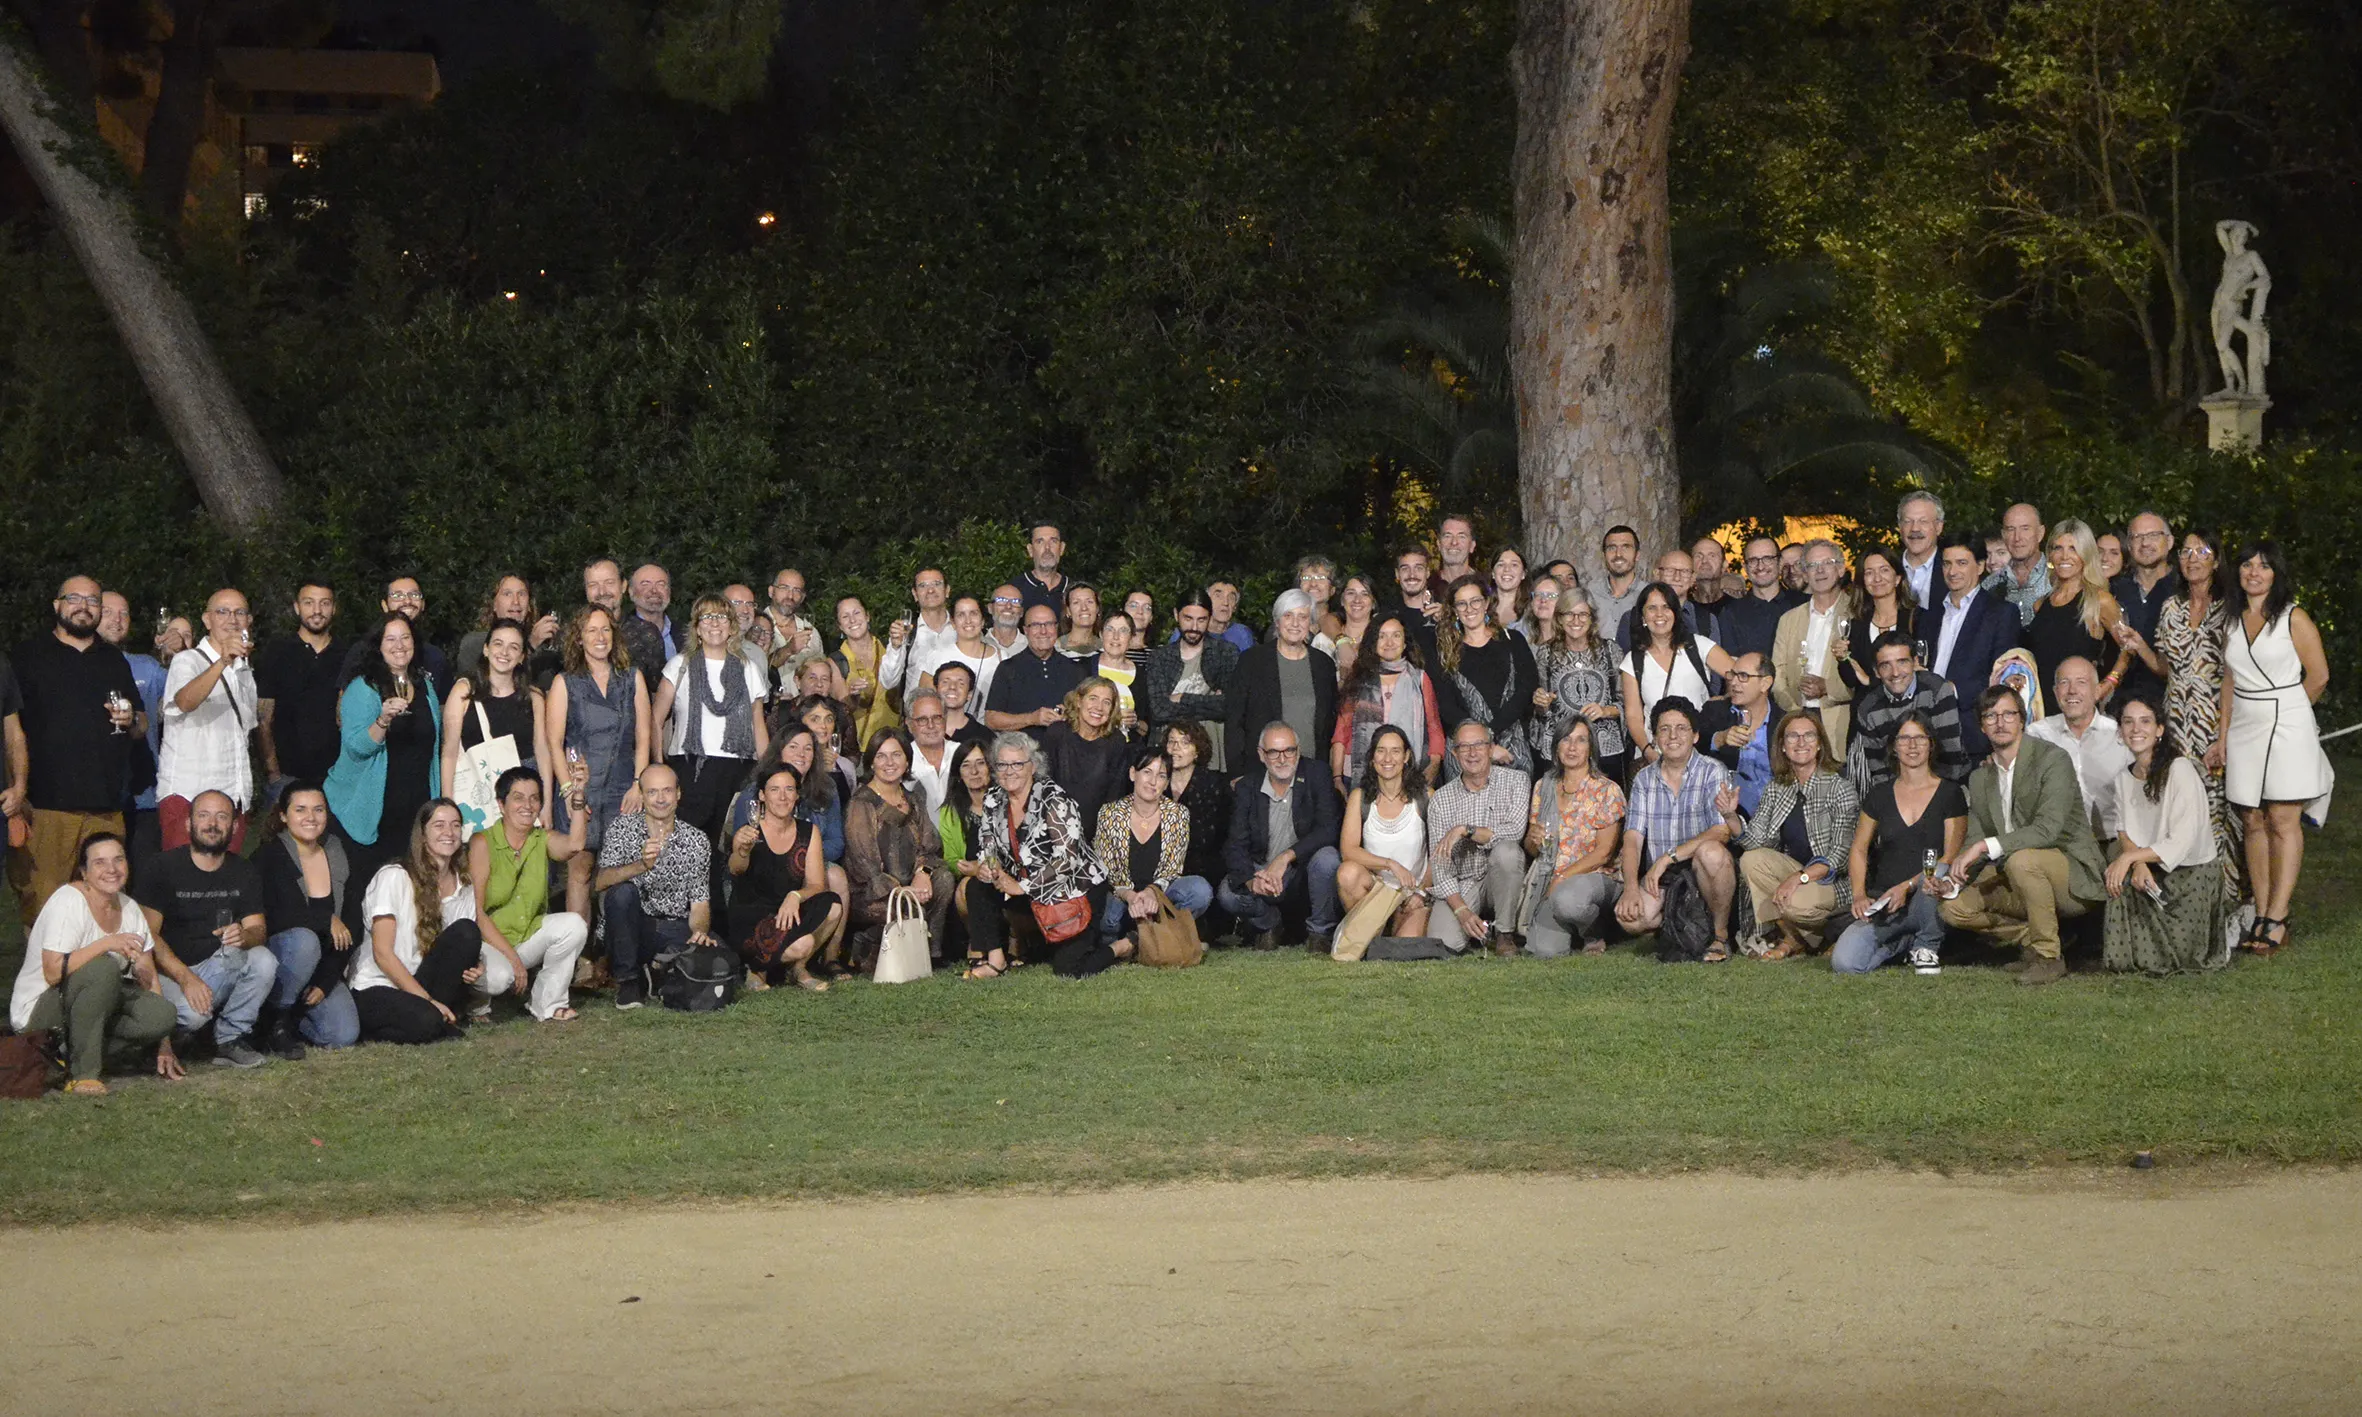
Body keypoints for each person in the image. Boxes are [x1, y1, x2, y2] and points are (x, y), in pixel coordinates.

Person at [1937, 686, 2105, 986]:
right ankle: (2034, 940)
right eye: (1990, 716)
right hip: (2018, 876)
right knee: (1954, 908)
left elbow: (2047, 829)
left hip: (2071, 877)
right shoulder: (1980, 778)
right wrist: (1953, 879)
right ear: (1981, 726)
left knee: (2021, 860)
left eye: (2008, 714)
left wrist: (1982, 847)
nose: (2000, 722)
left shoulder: (2052, 760)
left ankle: (2049, 957)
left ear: (2022, 719)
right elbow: (1976, 835)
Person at [2216, 540, 2332, 956]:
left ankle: (2278, 917)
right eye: (2247, 565)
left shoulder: (2292, 617)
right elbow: (2229, 681)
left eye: (2263, 566)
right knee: (2252, 819)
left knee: (2284, 818)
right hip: (2244, 724)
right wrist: (2222, 735)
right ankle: (2260, 910)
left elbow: (2318, 675)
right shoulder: (2232, 619)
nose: (2254, 572)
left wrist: (2292, 716)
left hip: (2287, 722)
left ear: (2276, 573)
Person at [8, 575, 142, 931]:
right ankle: (41, 985)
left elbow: (140, 723)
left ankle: (96, 984)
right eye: (74, 598)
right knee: (42, 909)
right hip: (46, 809)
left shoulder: (113, 659)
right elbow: (10, 731)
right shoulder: (26, 657)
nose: (83, 606)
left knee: (104, 909)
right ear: (57, 605)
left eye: (93, 600)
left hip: (106, 809)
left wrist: (131, 719)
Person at [11, 833, 179, 1093]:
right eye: (99, 862)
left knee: (162, 1015)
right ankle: (83, 1074)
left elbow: (149, 976)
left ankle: (67, 1054)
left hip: (93, 1004)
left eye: (118, 860)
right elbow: (53, 972)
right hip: (41, 1006)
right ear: (84, 872)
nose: (111, 869)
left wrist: (164, 1044)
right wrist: (107, 943)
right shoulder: (68, 901)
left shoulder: (130, 908)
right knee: (103, 967)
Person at [966, 732, 1114, 979]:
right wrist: (988, 867)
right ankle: (996, 960)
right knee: (976, 887)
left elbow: (1067, 859)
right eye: (1002, 764)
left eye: (1017, 764)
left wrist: (1021, 886)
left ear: (1032, 766)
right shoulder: (993, 798)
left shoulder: (1054, 799)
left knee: (1068, 969)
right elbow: (988, 842)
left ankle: (1121, 946)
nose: (1009, 771)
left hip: (1077, 889)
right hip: (1029, 888)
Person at [143, 790, 275, 1067]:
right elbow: (148, 935)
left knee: (264, 959)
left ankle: (229, 1038)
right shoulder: (162, 867)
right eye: (203, 815)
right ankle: (173, 1037)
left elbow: (258, 930)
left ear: (235, 827)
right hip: (168, 973)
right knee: (194, 1017)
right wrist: (184, 978)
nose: (212, 824)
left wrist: (245, 935)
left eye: (221, 816)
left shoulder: (244, 871)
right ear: (189, 824)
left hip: (216, 968)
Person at [1830, 712, 1968, 975]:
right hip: (1885, 902)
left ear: (1931, 744)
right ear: (1893, 746)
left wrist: (1906, 887)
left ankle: (1926, 941)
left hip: (1927, 897)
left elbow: (1949, 857)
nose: (1912, 746)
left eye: (1920, 738)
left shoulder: (1951, 794)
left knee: (1936, 873)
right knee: (1845, 963)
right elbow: (1859, 848)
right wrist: (1859, 894)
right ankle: (1904, 946)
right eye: (1904, 738)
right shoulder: (1879, 794)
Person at [654, 595, 772, 899]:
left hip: (737, 769)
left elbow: (758, 725)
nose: (715, 623)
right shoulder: (679, 666)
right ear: (697, 628)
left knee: (728, 850)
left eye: (721, 617)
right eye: (707, 618)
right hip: (691, 768)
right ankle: (682, 920)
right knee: (689, 846)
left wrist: (769, 775)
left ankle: (720, 926)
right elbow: (654, 721)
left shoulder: (747, 669)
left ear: (732, 627)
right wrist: (656, 768)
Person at [2103, 696, 2227, 975]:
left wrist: (2131, 858)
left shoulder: (2179, 769)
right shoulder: (2123, 778)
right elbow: (2123, 829)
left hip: (2190, 873)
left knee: (2183, 961)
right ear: (2120, 732)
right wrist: (2137, 863)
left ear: (2159, 729)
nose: (2136, 729)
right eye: (2128, 722)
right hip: (2151, 868)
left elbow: (2181, 841)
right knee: (2117, 868)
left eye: (2145, 721)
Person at [543, 606, 652, 921]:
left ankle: (617, 953)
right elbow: (554, 742)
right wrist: (568, 793)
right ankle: (580, 954)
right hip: (581, 789)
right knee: (581, 868)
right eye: (591, 630)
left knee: (623, 871)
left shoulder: (632, 678)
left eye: (605, 629)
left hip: (624, 788)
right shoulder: (566, 682)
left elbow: (643, 736)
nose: (600, 637)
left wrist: (638, 784)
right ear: (579, 638)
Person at [1613, 698, 1742, 960]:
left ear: (1695, 736)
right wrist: (1630, 887)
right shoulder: (1644, 779)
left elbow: (1721, 831)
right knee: (1629, 918)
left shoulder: (1712, 771)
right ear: (1655, 737)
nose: (1673, 736)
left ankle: (1719, 936)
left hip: (1701, 871)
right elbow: (1633, 838)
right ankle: (1675, 926)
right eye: (1664, 729)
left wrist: (1667, 857)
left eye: (1682, 728)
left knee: (1711, 853)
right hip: (1664, 879)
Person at [352, 799, 484, 1042]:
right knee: (427, 1020)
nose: (449, 833)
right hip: (380, 984)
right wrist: (428, 1001)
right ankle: (417, 1021)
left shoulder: (463, 885)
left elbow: (455, 947)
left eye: (455, 825)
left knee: (467, 931)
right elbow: (383, 954)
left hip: (420, 978)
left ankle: (435, 1016)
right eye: (439, 826)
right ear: (422, 834)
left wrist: (476, 966)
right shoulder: (394, 877)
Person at [322, 614, 442, 882]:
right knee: (371, 887)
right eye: (390, 639)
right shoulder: (364, 688)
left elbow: (434, 747)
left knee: (412, 886)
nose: (399, 645)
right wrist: (383, 721)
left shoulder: (425, 687)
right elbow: (356, 748)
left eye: (405, 637)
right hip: (375, 807)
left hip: (415, 806)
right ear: (378, 645)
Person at [467, 766, 591, 1022]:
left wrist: (578, 797)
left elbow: (576, 845)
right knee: (500, 978)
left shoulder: (540, 838)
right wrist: (514, 960)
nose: (528, 805)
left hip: (526, 935)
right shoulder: (483, 842)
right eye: (518, 798)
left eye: (534, 798)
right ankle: (476, 1006)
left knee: (574, 925)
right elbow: (476, 913)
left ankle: (547, 1003)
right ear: (501, 805)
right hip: (489, 942)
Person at [2155, 529, 2242, 893]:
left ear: (2216, 559)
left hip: (2217, 724)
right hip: (2177, 724)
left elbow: (2233, 674)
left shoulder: (2232, 607)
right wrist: (2133, 646)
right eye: (2186, 551)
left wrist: (2222, 738)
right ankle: (2190, 895)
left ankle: (2229, 897)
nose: (2192, 558)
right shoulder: (2171, 607)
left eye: (2201, 550)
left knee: (2219, 812)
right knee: (2184, 808)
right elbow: (2165, 666)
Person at [1734, 712, 1859, 960]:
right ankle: (1796, 938)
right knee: (1750, 860)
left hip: (1833, 882)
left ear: (1820, 743)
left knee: (1795, 903)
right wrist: (1730, 817)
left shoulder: (1839, 788)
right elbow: (1756, 842)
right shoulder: (1777, 787)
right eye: (1793, 736)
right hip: (1798, 873)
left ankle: (1825, 936)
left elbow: (1840, 858)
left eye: (1808, 735)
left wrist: (1798, 878)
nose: (1801, 742)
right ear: (1782, 745)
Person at [593, 764, 716, 1009]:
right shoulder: (622, 828)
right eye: (652, 792)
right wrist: (641, 865)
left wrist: (699, 933)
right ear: (641, 795)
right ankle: (628, 983)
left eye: (667, 791)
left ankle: (658, 972)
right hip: (629, 925)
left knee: (714, 950)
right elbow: (601, 882)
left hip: (673, 926)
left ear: (678, 794)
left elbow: (700, 902)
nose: (661, 799)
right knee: (622, 894)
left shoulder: (696, 840)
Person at [256, 784, 362, 1050]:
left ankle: (290, 1022)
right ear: (283, 815)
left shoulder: (340, 853)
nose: (310, 818)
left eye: (318, 810)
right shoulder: (268, 856)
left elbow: (352, 927)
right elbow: (274, 917)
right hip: (281, 960)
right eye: (300, 810)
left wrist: (325, 982)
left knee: (342, 1035)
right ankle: (273, 1018)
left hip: (321, 966)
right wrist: (325, 919)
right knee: (305, 940)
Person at [1219, 723, 1343, 952]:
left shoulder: (1317, 774)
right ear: (1261, 755)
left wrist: (1285, 858)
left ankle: (1320, 934)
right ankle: (1270, 924)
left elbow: (1328, 829)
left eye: (1289, 750)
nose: (1283, 759)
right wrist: (1251, 881)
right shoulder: (1248, 786)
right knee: (1227, 893)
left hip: (1301, 871)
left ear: (1298, 750)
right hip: (1263, 871)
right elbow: (1235, 844)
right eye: (1274, 752)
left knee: (1328, 858)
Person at [840, 731, 954, 970]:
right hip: (873, 892)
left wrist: (922, 872)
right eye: (881, 756)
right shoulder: (862, 803)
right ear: (871, 761)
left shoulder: (912, 800)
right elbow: (866, 866)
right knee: (911, 906)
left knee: (942, 879)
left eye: (896, 755)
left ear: (907, 761)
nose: (889, 763)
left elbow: (931, 846)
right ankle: (869, 943)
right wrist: (905, 891)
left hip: (911, 885)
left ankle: (931, 954)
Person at [157, 587, 259, 851]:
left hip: (232, 795)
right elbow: (184, 701)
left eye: (240, 613)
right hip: (189, 794)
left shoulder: (244, 670)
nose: (232, 619)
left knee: (226, 884)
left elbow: (247, 729)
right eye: (222, 612)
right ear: (206, 620)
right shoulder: (187, 660)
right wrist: (222, 662)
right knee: (185, 884)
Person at [725, 761, 841, 990]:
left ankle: (798, 969)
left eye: (789, 789)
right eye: (774, 790)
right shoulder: (750, 830)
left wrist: (795, 896)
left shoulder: (809, 832)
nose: (782, 797)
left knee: (834, 904)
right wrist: (742, 851)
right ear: (762, 795)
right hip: (752, 917)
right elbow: (735, 870)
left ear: (797, 795)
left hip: (787, 913)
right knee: (803, 943)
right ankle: (757, 970)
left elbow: (817, 884)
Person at [1516, 718, 1624, 957]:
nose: (1572, 747)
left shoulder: (1606, 790)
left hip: (1594, 877)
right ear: (1556, 747)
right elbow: (1533, 849)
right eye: (1566, 739)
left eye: (1581, 740)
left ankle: (1593, 931)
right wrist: (1531, 840)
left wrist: (1563, 876)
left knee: (1567, 900)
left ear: (1591, 749)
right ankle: (1570, 924)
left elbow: (1604, 852)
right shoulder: (1543, 786)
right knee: (1544, 951)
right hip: (1551, 877)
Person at [1424, 722, 1531, 955]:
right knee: (1444, 942)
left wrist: (1466, 830)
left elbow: (1514, 832)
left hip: (1502, 881)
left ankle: (1504, 934)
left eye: (1479, 745)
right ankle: (1479, 928)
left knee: (1507, 853)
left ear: (1491, 748)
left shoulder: (1517, 781)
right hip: (1465, 883)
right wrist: (1461, 910)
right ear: (1454, 753)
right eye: (1464, 747)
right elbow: (1441, 867)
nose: (1472, 753)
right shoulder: (1441, 799)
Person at [440, 618, 549, 834]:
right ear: (486, 649)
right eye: (498, 644)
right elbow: (450, 752)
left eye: (514, 647)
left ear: (521, 657)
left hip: (524, 802)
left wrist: (546, 807)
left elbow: (542, 752)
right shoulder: (464, 691)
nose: (505, 652)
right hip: (477, 796)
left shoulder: (533, 697)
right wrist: (447, 805)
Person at [1094, 750, 1213, 946]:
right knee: (1109, 920)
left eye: (1161, 775)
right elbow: (1106, 871)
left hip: (1159, 897)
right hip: (1122, 895)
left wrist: (1151, 892)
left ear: (1166, 783)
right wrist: (1131, 896)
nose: (1153, 781)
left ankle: (1147, 938)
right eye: (1147, 772)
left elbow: (1173, 869)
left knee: (1200, 890)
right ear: (1133, 774)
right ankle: (1147, 939)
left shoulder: (1178, 814)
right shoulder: (1109, 813)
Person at [1920, 536, 2021, 756]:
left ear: (1980, 566)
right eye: (1947, 563)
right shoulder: (1929, 616)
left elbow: (2001, 676)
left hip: (1972, 730)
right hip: (1927, 732)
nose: (1952, 571)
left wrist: (1951, 691)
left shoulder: (2001, 613)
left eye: (1961, 563)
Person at [1334, 724, 1434, 940]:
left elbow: (1438, 855)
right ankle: (1373, 932)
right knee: (1347, 873)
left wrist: (1421, 892)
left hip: (1413, 892)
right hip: (1376, 891)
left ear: (1406, 756)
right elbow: (1348, 851)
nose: (1388, 758)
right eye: (1381, 750)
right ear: (1372, 758)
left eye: (1395, 751)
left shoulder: (1425, 797)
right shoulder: (1360, 798)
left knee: (1405, 945)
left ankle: (1386, 929)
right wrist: (1390, 864)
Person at [1623, 582, 1734, 766]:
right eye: (1652, 608)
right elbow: (1633, 715)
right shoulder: (1633, 660)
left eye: (1666, 607)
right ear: (1642, 615)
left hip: (1700, 754)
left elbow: (1740, 677)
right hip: (1657, 756)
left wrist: (1726, 700)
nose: (1659, 614)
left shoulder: (1698, 646)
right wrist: (1648, 752)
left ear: (1676, 612)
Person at [1228, 590, 1337, 778]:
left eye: (1302, 617)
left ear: (1310, 623)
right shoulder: (1252, 661)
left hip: (1311, 773)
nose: (1295, 623)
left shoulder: (1323, 665)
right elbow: (1235, 719)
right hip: (1260, 773)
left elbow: (1330, 723)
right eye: (1288, 616)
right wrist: (1237, 772)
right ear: (1277, 621)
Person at [1842, 632, 1971, 791]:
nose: (1895, 672)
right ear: (1876, 671)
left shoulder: (1938, 690)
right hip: (1899, 792)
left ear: (1915, 662)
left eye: (1902, 662)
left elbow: (1951, 759)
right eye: (1885, 665)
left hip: (1948, 786)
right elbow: (1880, 772)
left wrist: (1929, 800)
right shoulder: (1867, 709)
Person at [1438, 577, 1540, 775]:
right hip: (1465, 755)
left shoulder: (1513, 640)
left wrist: (1490, 738)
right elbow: (1447, 706)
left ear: (1486, 603)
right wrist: (1481, 745)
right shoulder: (1445, 650)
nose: (1469, 608)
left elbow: (1526, 689)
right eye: (1461, 603)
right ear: (1454, 610)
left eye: (1475, 601)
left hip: (1511, 750)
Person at [1330, 615, 1445, 789]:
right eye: (1382, 636)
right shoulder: (1358, 679)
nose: (1389, 642)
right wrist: (1337, 778)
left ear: (1405, 643)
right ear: (1373, 642)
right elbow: (1341, 731)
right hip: (1357, 774)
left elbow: (1434, 726)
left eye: (1396, 635)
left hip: (1409, 774)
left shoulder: (1420, 679)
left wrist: (1434, 765)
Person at [256, 580, 347, 797]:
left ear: (334, 608)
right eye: (309, 603)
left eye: (324, 603)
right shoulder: (276, 652)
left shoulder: (348, 655)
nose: (317, 610)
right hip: (286, 778)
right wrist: (273, 772)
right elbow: (262, 718)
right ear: (297, 607)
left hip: (336, 777)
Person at [1528, 589, 1628, 784]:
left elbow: (1627, 702)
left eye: (1583, 614)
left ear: (1592, 618)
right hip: (1561, 750)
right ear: (1559, 618)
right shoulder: (1546, 654)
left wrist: (1605, 710)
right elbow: (1541, 710)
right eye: (1569, 613)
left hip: (1604, 748)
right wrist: (1541, 702)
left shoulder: (1610, 651)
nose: (1576, 620)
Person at [2028, 657, 2133, 841]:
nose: (2072, 691)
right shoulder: (2037, 735)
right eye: (2064, 683)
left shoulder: (2121, 736)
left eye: (2081, 682)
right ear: (2055, 691)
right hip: (2060, 844)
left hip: (2115, 841)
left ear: (2098, 690)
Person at [2026, 519, 2127, 703]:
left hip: (2080, 711)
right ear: (2050, 555)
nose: (2065, 556)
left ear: (2086, 554)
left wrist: (2107, 684)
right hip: (2041, 711)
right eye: (2058, 548)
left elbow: (2129, 648)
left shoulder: (2099, 601)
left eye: (2073, 548)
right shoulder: (2040, 605)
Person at [1771, 540, 1855, 755]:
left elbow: (1864, 674)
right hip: (1797, 720)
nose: (1819, 571)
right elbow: (1777, 673)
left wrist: (1828, 688)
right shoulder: (1789, 619)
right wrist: (1796, 713)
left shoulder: (1857, 613)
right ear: (1805, 574)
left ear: (1840, 569)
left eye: (1827, 563)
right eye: (1812, 565)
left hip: (1840, 723)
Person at [1140, 593, 1238, 768]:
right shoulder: (1160, 657)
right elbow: (1159, 710)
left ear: (1209, 619)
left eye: (1201, 620)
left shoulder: (1225, 652)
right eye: (1188, 619)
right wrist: (1210, 703)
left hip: (1213, 758)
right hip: (1168, 754)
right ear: (1176, 615)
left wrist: (1182, 698)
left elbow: (1229, 706)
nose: (1194, 627)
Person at [984, 605, 1090, 743]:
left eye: (1049, 624)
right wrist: (1032, 718)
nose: (1043, 631)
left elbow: (1090, 715)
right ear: (1025, 630)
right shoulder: (1008, 668)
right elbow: (991, 719)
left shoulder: (1076, 669)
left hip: (1067, 754)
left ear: (1056, 628)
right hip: (1022, 755)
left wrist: (1071, 716)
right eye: (1036, 625)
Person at [2108, 511, 2179, 707]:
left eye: (2153, 536)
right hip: (2118, 706)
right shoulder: (2114, 590)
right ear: (2129, 546)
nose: (2145, 543)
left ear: (2170, 541)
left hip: (2171, 707)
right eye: (2137, 537)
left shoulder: (2184, 590)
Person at [1044, 677, 1134, 829]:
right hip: (1054, 824)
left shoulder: (1116, 741)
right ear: (1079, 701)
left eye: (1107, 702)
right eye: (1093, 698)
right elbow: (1044, 784)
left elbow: (1115, 794)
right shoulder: (1057, 733)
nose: (1099, 707)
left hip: (1097, 827)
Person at [337, 575, 452, 691]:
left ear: (423, 604)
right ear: (384, 605)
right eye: (397, 596)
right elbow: (344, 704)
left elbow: (443, 706)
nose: (407, 601)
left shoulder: (435, 657)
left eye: (414, 595)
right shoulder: (363, 652)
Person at [1698, 651, 1777, 815]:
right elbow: (1694, 746)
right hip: (1724, 813)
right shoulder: (1715, 712)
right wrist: (1719, 739)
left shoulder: (1783, 721)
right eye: (1732, 675)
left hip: (1773, 815)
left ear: (1765, 683)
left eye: (1743, 676)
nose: (1733, 682)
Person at [1833, 549, 1918, 702]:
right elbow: (1851, 680)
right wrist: (1843, 658)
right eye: (1869, 573)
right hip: (1867, 714)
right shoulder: (1857, 624)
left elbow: (1921, 672)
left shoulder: (1917, 618)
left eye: (1884, 570)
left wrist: (1869, 681)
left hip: (1909, 712)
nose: (1877, 578)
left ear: (1897, 578)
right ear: (1863, 581)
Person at [828, 595, 909, 749]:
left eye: (857, 613)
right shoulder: (836, 661)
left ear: (867, 616)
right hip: (858, 749)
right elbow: (842, 712)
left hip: (893, 743)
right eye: (845, 616)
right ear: (840, 625)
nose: (852, 620)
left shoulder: (890, 650)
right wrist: (854, 696)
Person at [456, 574, 562, 685]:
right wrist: (531, 645)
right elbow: (483, 685)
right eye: (507, 594)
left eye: (521, 594)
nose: (516, 601)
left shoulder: (543, 654)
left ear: (529, 605)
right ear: (494, 605)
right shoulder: (474, 643)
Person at [1164, 720, 1233, 888]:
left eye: (1185, 742)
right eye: (1171, 741)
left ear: (1197, 752)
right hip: (1160, 868)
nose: (1175, 747)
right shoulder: (1155, 781)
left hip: (1204, 869)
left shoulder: (1214, 784)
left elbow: (1220, 838)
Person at [1715, 535, 1803, 665]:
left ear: (1779, 563)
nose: (1760, 566)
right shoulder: (1730, 613)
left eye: (1767, 559)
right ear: (1745, 567)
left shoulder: (1803, 605)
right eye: (1753, 560)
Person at [1615, 548, 1703, 650]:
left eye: (1685, 572)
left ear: (1693, 578)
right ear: (1657, 574)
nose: (1677, 578)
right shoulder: (1631, 619)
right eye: (1670, 571)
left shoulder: (1706, 620)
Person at [1985, 503, 2053, 626]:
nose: (2017, 538)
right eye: (2011, 529)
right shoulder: (1990, 585)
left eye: (2025, 528)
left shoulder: (2056, 579)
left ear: (2040, 533)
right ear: (2003, 535)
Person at [902, 567, 958, 697]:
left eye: (937, 584)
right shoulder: (906, 633)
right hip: (916, 713)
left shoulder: (963, 630)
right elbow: (889, 681)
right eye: (923, 586)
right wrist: (895, 648)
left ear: (947, 590)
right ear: (915, 594)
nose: (931, 590)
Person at [938, 598, 1003, 710]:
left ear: (983, 621)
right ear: (953, 623)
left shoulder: (1002, 658)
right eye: (961, 615)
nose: (968, 621)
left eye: (973, 613)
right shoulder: (937, 657)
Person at [1583, 525, 1644, 640]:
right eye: (1611, 548)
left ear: (1637, 555)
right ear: (1604, 555)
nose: (1618, 554)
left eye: (1626, 547)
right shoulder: (1589, 594)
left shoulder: (1649, 594)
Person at [904, 689, 958, 816]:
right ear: (909, 724)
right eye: (922, 720)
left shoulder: (963, 754)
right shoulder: (900, 761)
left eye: (937, 718)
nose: (931, 726)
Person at [625, 563, 683, 675]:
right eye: (645, 584)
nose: (654, 591)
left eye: (661, 584)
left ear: (669, 591)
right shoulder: (621, 633)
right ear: (631, 591)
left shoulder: (686, 633)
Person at [1896, 492, 1945, 610]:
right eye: (1908, 521)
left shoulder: (1952, 569)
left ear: (1938, 527)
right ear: (1899, 527)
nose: (1915, 528)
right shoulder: (1887, 568)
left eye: (1923, 521)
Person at [1093, 612, 1141, 724]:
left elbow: (1145, 726)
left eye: (1123, 630)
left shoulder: (1142, 676)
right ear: (1101, 634)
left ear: (1132, 637)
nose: (1116, 636)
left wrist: (1135, 723)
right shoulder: (1082, 669)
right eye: (1110, 629)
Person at [932, 661, 992, 747]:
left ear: (969, 694)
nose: (952, 687)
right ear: (935, 690)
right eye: (945, 682)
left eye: (961, 684)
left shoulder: (986, 737)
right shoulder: (919, 730)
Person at [1016, 522, 1070, 615]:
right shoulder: (1015, 590)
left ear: (1061, 548)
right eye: (1040, 542)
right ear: (1030, 550)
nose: (1047, 548)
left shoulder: (1073, 591)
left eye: (1053, 541)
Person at [1330, 573, 1378, 673]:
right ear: (1342, 600)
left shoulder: (1383, 640)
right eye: (1351, 593)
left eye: (1365, 594)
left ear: (1373, 603)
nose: (1357, 600)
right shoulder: (1324, 640)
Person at [1687, 537, 1732, 640]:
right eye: (1698, 556)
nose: (1704, 561)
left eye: (1712, 555)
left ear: (1724, 565)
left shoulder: (1737, 609)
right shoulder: (1683, 610)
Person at [1294, 556, 1341, 650]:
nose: (1313, 584)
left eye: (1321, 577)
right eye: (1306, 577)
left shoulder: (1343, 625)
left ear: (1332, 589)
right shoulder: (1285, 627)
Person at [1203, 579, 1257, 652]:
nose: (1225, 602)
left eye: (1231, 598)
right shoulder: (1193, 631)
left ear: (1235, 607)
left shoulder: (1242, 634)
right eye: (1218, 596)